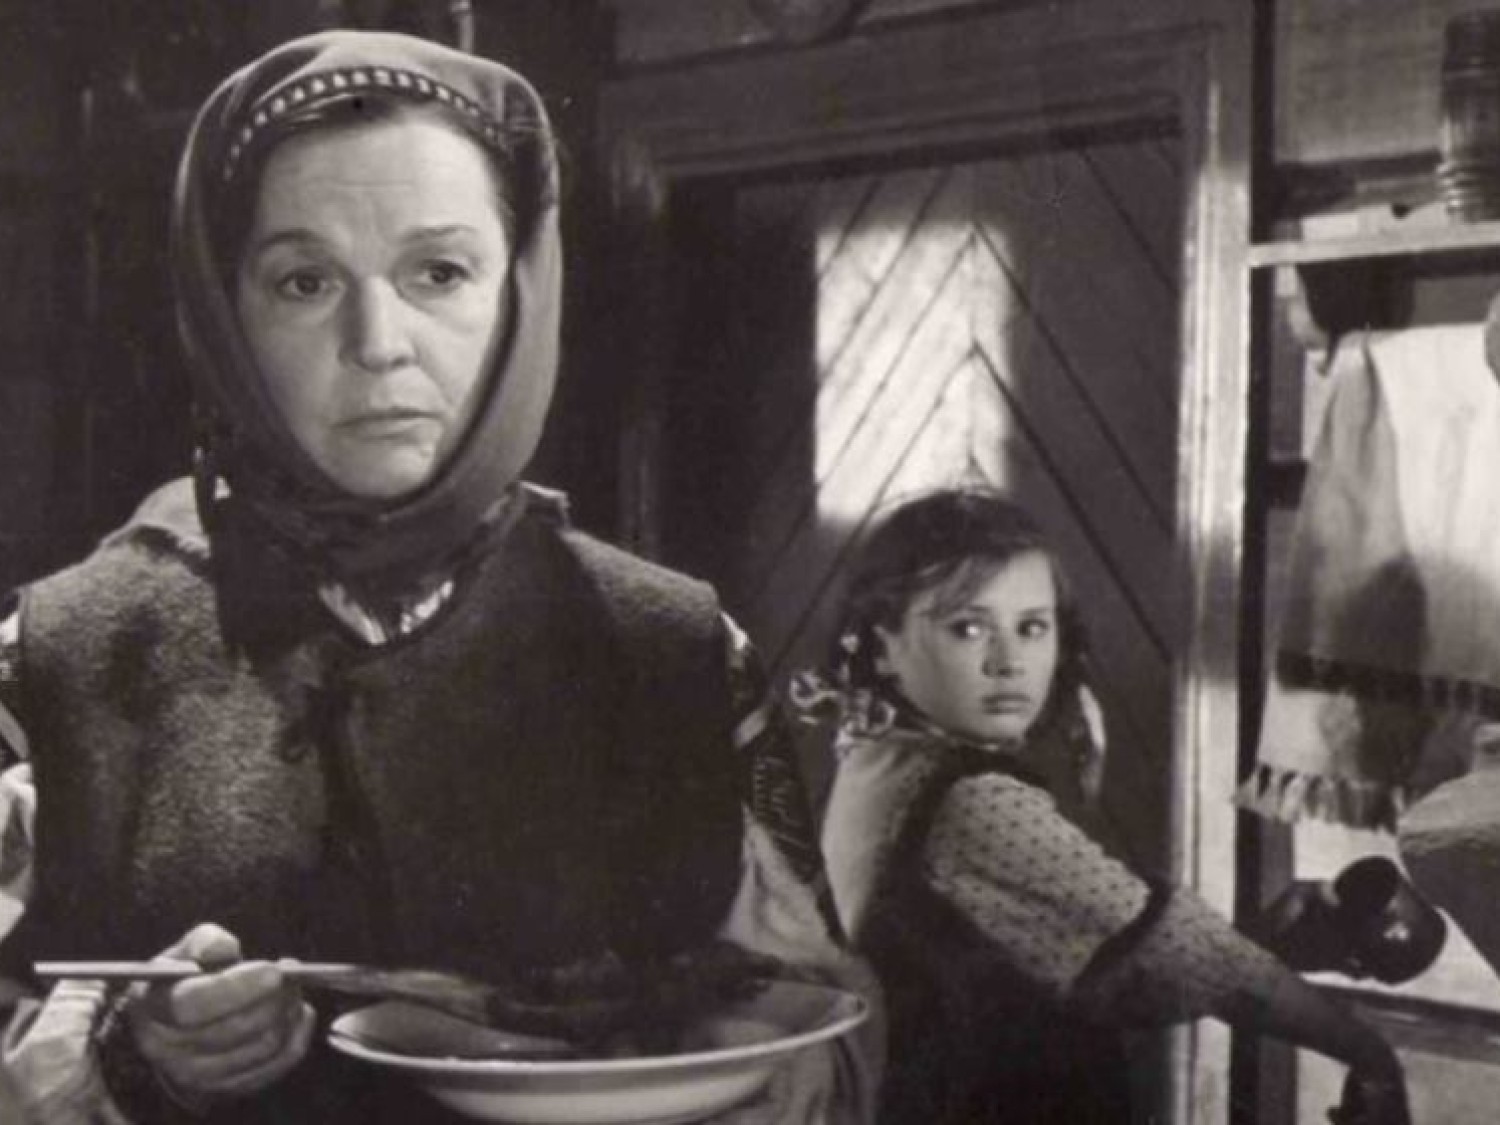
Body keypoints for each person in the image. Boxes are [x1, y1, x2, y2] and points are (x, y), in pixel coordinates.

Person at [0, 30, 879, 1125]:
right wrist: (130, 1063)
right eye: (305, 280)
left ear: (520, 293)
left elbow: (828, 1042)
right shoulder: (53, 657)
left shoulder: (683, 650)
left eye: (439, 273)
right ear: (224, 310)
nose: (379, 342)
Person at [794, 487, 1408, 1125]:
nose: (1008, 662)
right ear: (882, 647)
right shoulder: (972, 803)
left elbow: (1111, 966)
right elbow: (1180, 955)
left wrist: (1262, 946)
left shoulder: (879, 754)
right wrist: (1368, 1053)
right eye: (967, 628)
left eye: (1032, 627)